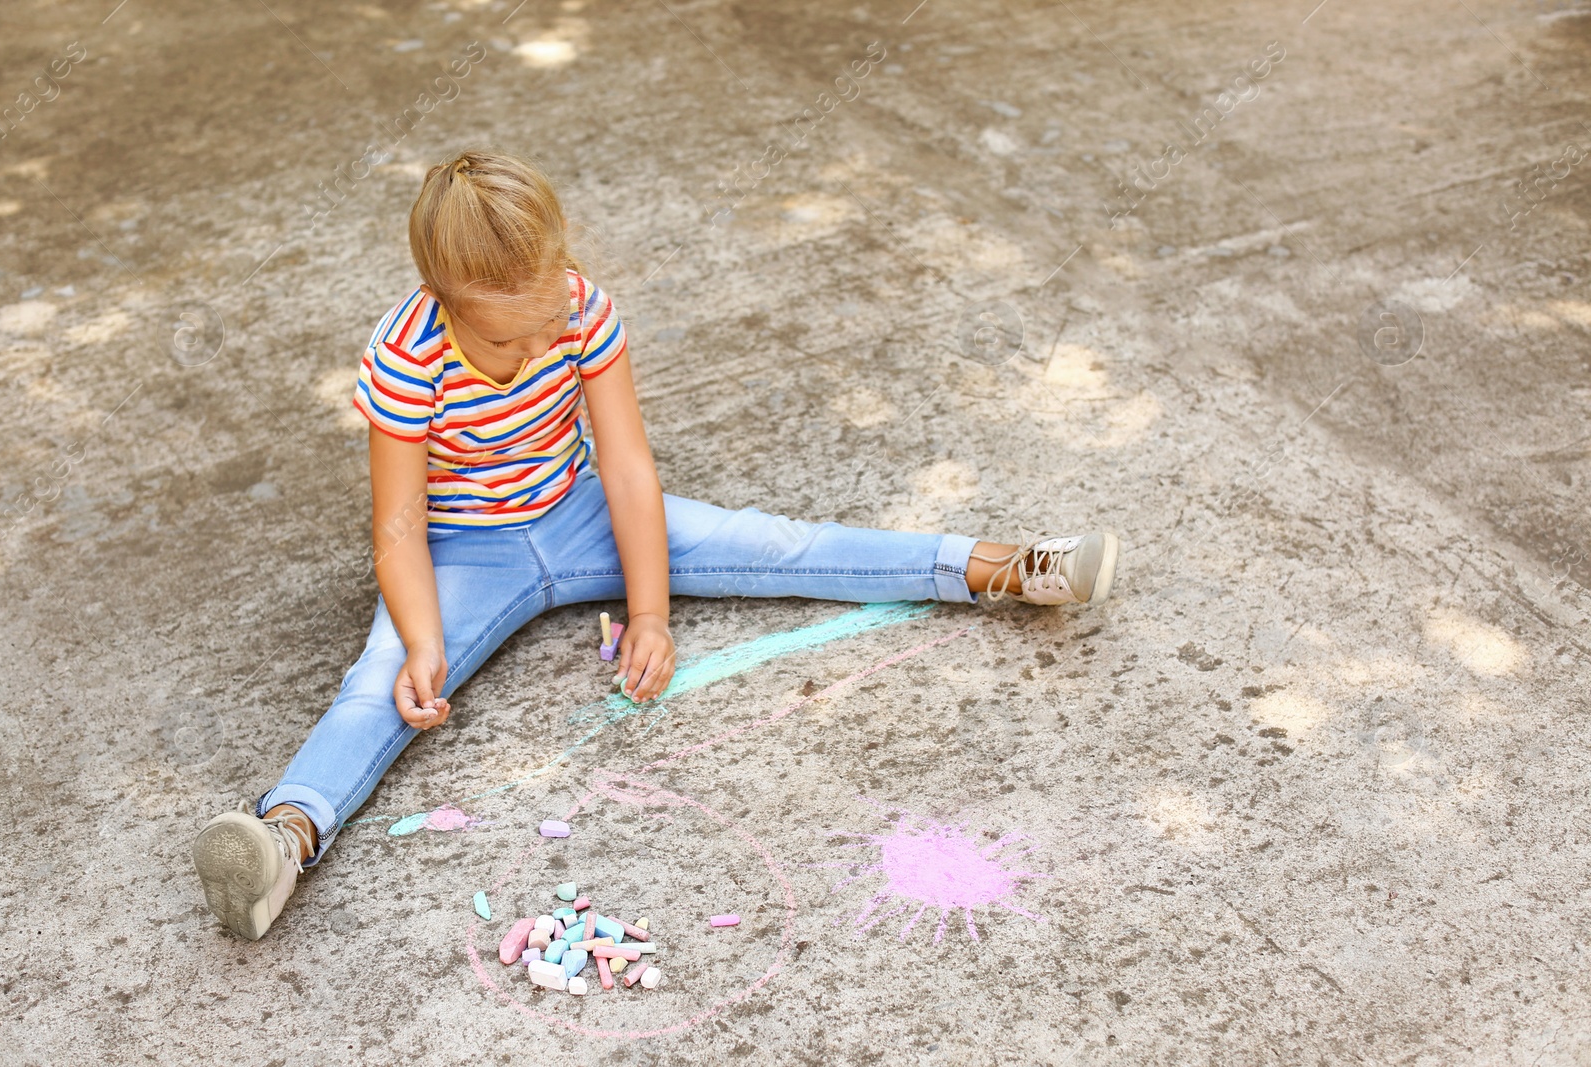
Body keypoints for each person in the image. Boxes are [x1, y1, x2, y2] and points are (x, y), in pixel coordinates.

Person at [192, 149, 1120, 940]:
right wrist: (424, 639)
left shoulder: (582, 307)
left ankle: (1004, 566)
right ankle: (284, 838)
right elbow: (393, 525)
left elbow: (631, 469)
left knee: (775, 545)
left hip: (584, 511)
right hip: (460, 553)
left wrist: (650, 613)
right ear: (453, 299)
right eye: (527, 314)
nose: (555, 316)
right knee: (382, 682)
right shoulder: (407, 353)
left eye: (557, 286)